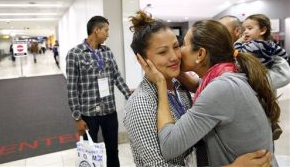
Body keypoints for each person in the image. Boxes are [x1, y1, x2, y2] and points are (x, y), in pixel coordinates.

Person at [124, 11, 272, 167]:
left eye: (177, 46)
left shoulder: (181, 88)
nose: (175, 56)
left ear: (201, 53)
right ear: (142, 60)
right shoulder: (141, 104)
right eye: (162, 52)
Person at [66, 15, 132, 167]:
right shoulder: (75, 54)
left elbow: (116, 77)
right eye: (106, 30)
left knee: (113, 151)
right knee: (89, 153)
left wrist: (129, 95)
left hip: (109, 111)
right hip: (88, 115)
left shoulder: (107, 52)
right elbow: (72, 88)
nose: (108, 34)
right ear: (96, 30)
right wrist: (77, 118)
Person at [219, 15, 290, 90]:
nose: (246, 31)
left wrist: (238, 43)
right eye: (245, 29)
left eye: (222, 29)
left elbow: (279, 76)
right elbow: (283, 54)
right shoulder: (269, 44)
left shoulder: (252, 45)